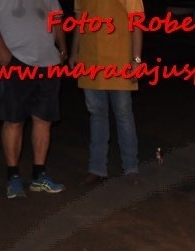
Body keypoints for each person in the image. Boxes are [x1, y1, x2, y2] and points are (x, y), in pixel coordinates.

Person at [0, 0, 67, 198]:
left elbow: (56, 17)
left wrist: (62, 48)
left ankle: (39, 174)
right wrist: (0, 48)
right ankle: (13, 177)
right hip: (14, 58)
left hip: (48, 61)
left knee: (44, 119)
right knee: (13, 120)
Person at [70, 0, 143, 186]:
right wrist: (74, 52)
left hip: (120, 59)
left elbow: (136, 20)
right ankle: (97, 168)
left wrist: (136, 59)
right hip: (90, 59)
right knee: (96, 114)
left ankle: (131, 167)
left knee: (123, 113)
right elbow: (80, 18)